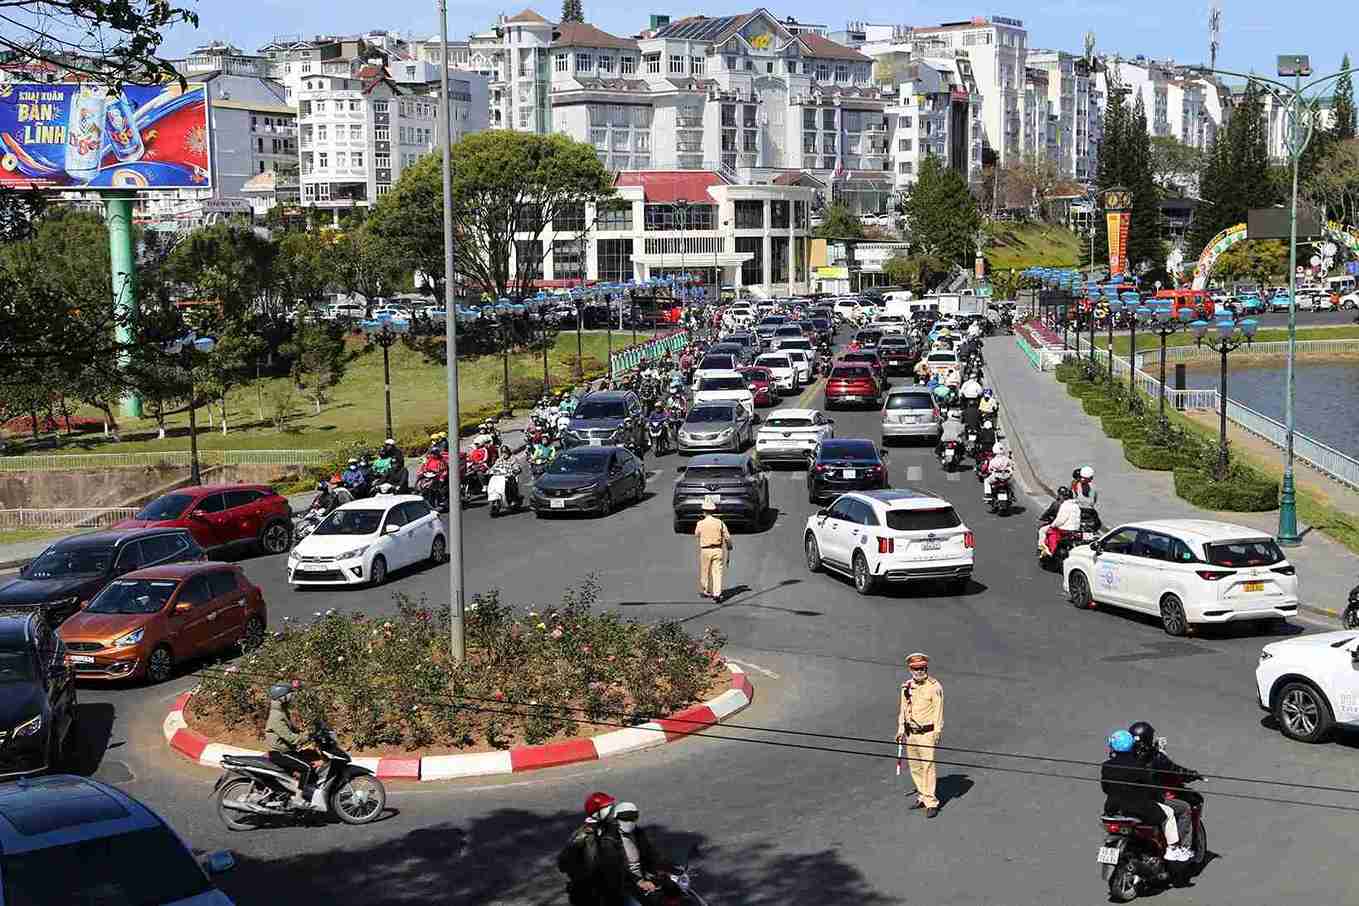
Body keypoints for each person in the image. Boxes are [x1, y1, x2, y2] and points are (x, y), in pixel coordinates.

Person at [1100, 723, 1198, 862]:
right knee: (1170, 813)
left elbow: (1106, 788)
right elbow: (1149, 788)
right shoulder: (1140, 764)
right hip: (1140, 808)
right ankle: (1173, 849)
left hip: (1113, 808)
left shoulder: (1107, 765)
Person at [896, 653, 944, 818]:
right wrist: (901, 728)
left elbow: (938, 710)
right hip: (911, 733)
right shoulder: (906, 687)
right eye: (915, 669)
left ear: (926, 668)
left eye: (922, 668)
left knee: (928, 766)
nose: (919, 671)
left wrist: (937, 731)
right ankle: (922, 796)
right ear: (910, 669)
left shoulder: (934, 686)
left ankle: (931, 802)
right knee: (915, 767)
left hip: (926, 733)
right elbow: (903, 709)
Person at [596, 801, 664, 904]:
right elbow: (615, 868)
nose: (629, 822)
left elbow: (651, 854)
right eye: (625, 818)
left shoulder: (638, 833)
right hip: (622, 885)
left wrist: (667, 868)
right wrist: (639, 881)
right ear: (616, 819)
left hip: (644, 879)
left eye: (632, 818)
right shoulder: (609, 840)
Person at [265, 680, 319, 805]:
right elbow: (291, 738)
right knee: (306, 768)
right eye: (290, 694)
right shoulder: (276, 716)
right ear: (282, 697)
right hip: (280, 753)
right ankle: (298, 798)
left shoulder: (282, 712)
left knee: (309, 757)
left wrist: (306, 730)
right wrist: (307, 735)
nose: (291, 697)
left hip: (286, 750)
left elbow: (292, 730)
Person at [558, 791, 615, 906]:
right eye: (607, 809)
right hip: (590, 892)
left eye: (611, 807)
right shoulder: (583, 835)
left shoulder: (612, 829)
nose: (611, 812)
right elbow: (563, 862)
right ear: (597, 813)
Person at [694, 495, 732, 602]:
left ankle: (706, 590)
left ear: (704, 511)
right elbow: (727, 537)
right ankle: (717, 593)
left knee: (705, 571)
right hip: (718, 549)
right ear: (713, 511)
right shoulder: (720, 523)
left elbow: (696, 534)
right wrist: (729, 546)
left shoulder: (700, 523)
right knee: (717, 571)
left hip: (705, 550)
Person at [1038, 486, 1083, 555]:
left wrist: (1052, 525)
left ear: (1063, 496)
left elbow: (1060, 520)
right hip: (1075, 529)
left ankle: (1043, 549)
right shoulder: (1076, 506)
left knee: (1042, 530)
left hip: (1064, 529)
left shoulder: (1064, 505)